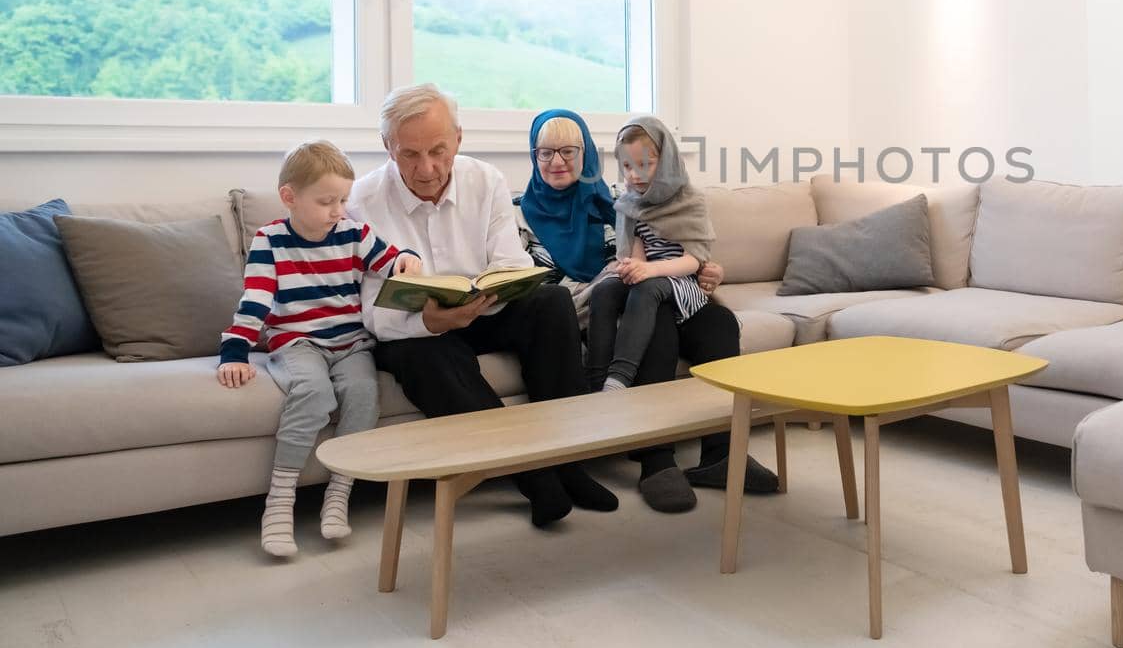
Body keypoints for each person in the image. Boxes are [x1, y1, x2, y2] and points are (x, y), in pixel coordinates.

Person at [348, 84, 617, 528]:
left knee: (551, 301)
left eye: (438, 150)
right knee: (422, 357)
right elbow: (372, 311)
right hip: (416, 328)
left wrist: (491, 289)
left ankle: (570, 461)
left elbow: (512, 262)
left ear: (458, 138)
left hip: (485, 307)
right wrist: (429, 321)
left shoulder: (485, 179)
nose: (427, 168)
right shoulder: (362, 201)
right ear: (387, 147)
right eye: (409, 155)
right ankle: (535, 478)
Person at [518, 109, 777, 513]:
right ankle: (656, 460)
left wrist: (709, 270)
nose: (557, 161)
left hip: (657, 291)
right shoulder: (519, 215)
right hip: (597, 310)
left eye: (569, 150)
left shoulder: (615, 203)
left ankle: (723, 453)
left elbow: (672, 249)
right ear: (533, 156)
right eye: (545, 152)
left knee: (720, 324)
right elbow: (533, 295)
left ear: (586, 155)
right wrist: (618, 281)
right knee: (655, 320)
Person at [217, 140, 422, 558]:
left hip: (350, 343)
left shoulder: (352, 232)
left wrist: (408, 260)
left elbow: (390, 260)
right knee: (314, 393)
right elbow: (255, 300)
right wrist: (235, 351)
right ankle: (279, 501)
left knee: (364, 394)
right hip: (296, 341)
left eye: (343, 200)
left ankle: (339, 494)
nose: (338, 211)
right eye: (327, 201)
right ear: (289, 196)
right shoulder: (268, 240)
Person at [589, 117, 715, 392]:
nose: (634, 175)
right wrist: (632, 267)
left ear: (666, 160)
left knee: (648, 287)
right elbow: (637, 255)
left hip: (683, 283)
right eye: (627, 166)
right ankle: (597, 383)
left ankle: (618, 378)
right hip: (649, 280)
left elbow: (694, 260)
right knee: (604, 290)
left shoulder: (690, 200)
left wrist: (650, 271)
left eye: (645, 165)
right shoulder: (629, 204)